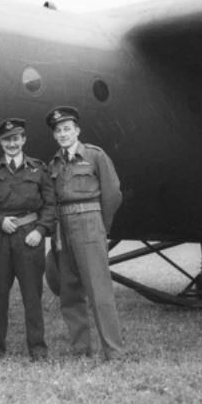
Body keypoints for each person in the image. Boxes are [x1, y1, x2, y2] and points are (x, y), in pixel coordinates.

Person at [43, 106, 124, 360]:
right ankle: (80, 349)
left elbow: (112, 194)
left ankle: (113, 351)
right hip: (62, 228)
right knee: (69, 291)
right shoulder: (54, 163)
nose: (63, 134)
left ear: (77, 130)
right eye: (58, 131)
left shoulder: (95, 155)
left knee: (99, 291)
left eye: (67, 129)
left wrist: (101, 226)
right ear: (55, 136)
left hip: (89, 224)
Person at [0, 118, 53, 361]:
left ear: (24, 140)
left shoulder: (38, 169)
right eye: (7, 140)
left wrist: (39, 231)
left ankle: (37, 347)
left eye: (16, 138)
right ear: (1, 142)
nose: (11, 143)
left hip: (29, 237)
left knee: (32, 294)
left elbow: (51, 206)